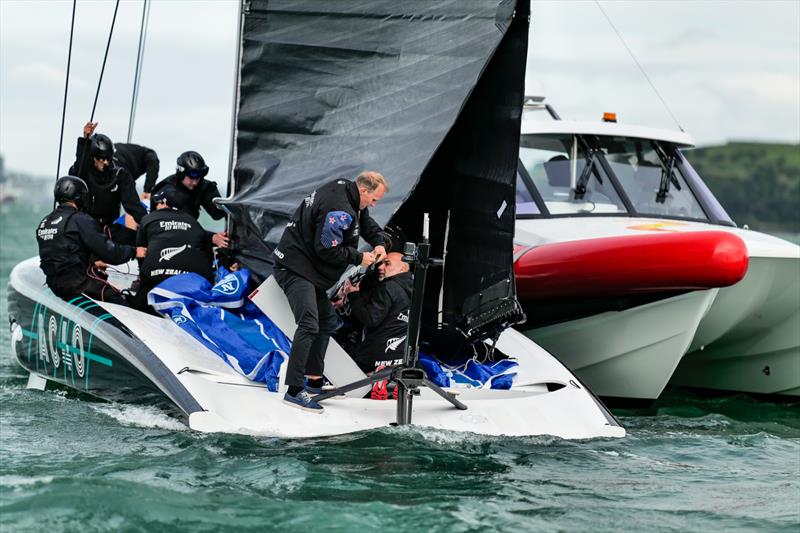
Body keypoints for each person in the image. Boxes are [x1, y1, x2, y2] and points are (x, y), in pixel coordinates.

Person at [272, 170, 389, 412]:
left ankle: (314, 381)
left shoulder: (347, 189)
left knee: (327, 320)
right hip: (295, 268)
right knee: (309, 324)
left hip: (307, 268)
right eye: (374, 199)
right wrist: (360, 258)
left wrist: (379, 242)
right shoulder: (339, 210)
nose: (374, 204)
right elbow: (326, 248)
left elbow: (364, 220)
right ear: (364, 190)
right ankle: (293, 390)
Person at [36, 176, 145, 305]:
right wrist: (134, 251)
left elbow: (61, 251)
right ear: (79, 197)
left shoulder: (44, 222)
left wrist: (91, 263)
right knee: (120, 300)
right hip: (76, 284)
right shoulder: (80, 219)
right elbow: (111, 253)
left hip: (54, 284)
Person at [131, 187, 217, 314]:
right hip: (193, 281)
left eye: (158, 203)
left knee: (138, 307)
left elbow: (141, 253)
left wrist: (143, 279)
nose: (156, 206)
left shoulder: (148, 218)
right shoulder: (194, 222)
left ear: (165, 204)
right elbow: (207, 256)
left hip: (157, 277)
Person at [69, 122, 147, 244]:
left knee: (139, 239)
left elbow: (133, 206)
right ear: (92, 156)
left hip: (108, 230)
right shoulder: (82, 172)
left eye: (108, 158)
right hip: (84, 230)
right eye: (101, 159)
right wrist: (85, 141)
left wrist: (151, 225)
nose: (105, 162)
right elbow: (78, 171)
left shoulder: (120, 175)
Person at [339, 252, 412, 375]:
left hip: (373, 358)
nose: (380, 267)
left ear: (403, 268)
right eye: (380, 263)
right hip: (399, 358)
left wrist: (353, 295)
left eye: (387, 264)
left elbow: (370, 318)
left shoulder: (389, 286)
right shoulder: (413, 289)